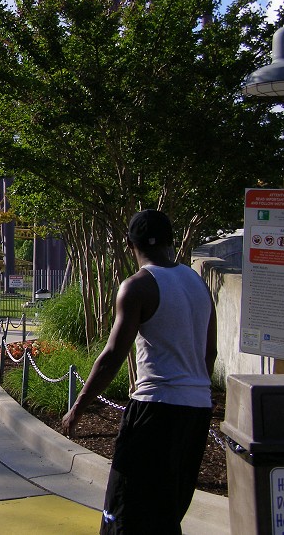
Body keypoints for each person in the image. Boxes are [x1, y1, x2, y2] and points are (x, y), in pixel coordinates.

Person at [61, 209, 217, 535]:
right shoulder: (198, 284)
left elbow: (112, 356)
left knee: (123, 514)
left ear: (130, 244)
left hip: (154, 410)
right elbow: (210, 353)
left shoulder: (138, 287)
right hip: (197, 411)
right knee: (166, 514)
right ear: (172, 241)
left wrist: (78, 407)